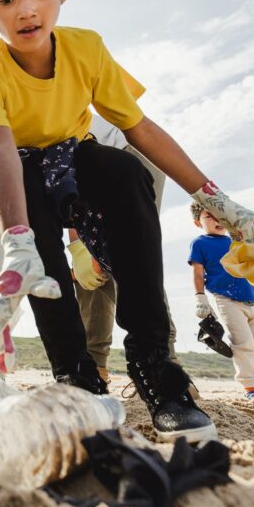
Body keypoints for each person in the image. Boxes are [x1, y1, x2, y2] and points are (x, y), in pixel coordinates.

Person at [0, 0, 254, 442]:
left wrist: (215, 199)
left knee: (128, 173)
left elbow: (139, 127)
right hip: (19, 165)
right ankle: (76, 380)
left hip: (76, 154)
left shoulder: (86, 48)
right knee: (35, 239)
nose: (27, 9)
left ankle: (156, 371)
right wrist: (16, 240)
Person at [69, 116, 182, 386]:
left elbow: (66, 178)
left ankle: (163, 363)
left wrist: (79, 244)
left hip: (129, 152)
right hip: (87, 162)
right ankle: (95, 366)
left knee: (133, 257)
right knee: (94, 266)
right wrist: (78, 248)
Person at [191, 203, 254, 403]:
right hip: (226, 299)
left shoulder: (238, 242)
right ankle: (251, 388)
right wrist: (200, 297)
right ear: (198, 222)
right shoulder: (200, 243)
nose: (217, 220)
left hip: (253, 300)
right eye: (209, 216)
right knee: (243, 343)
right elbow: (198, 273)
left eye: (219, 215)